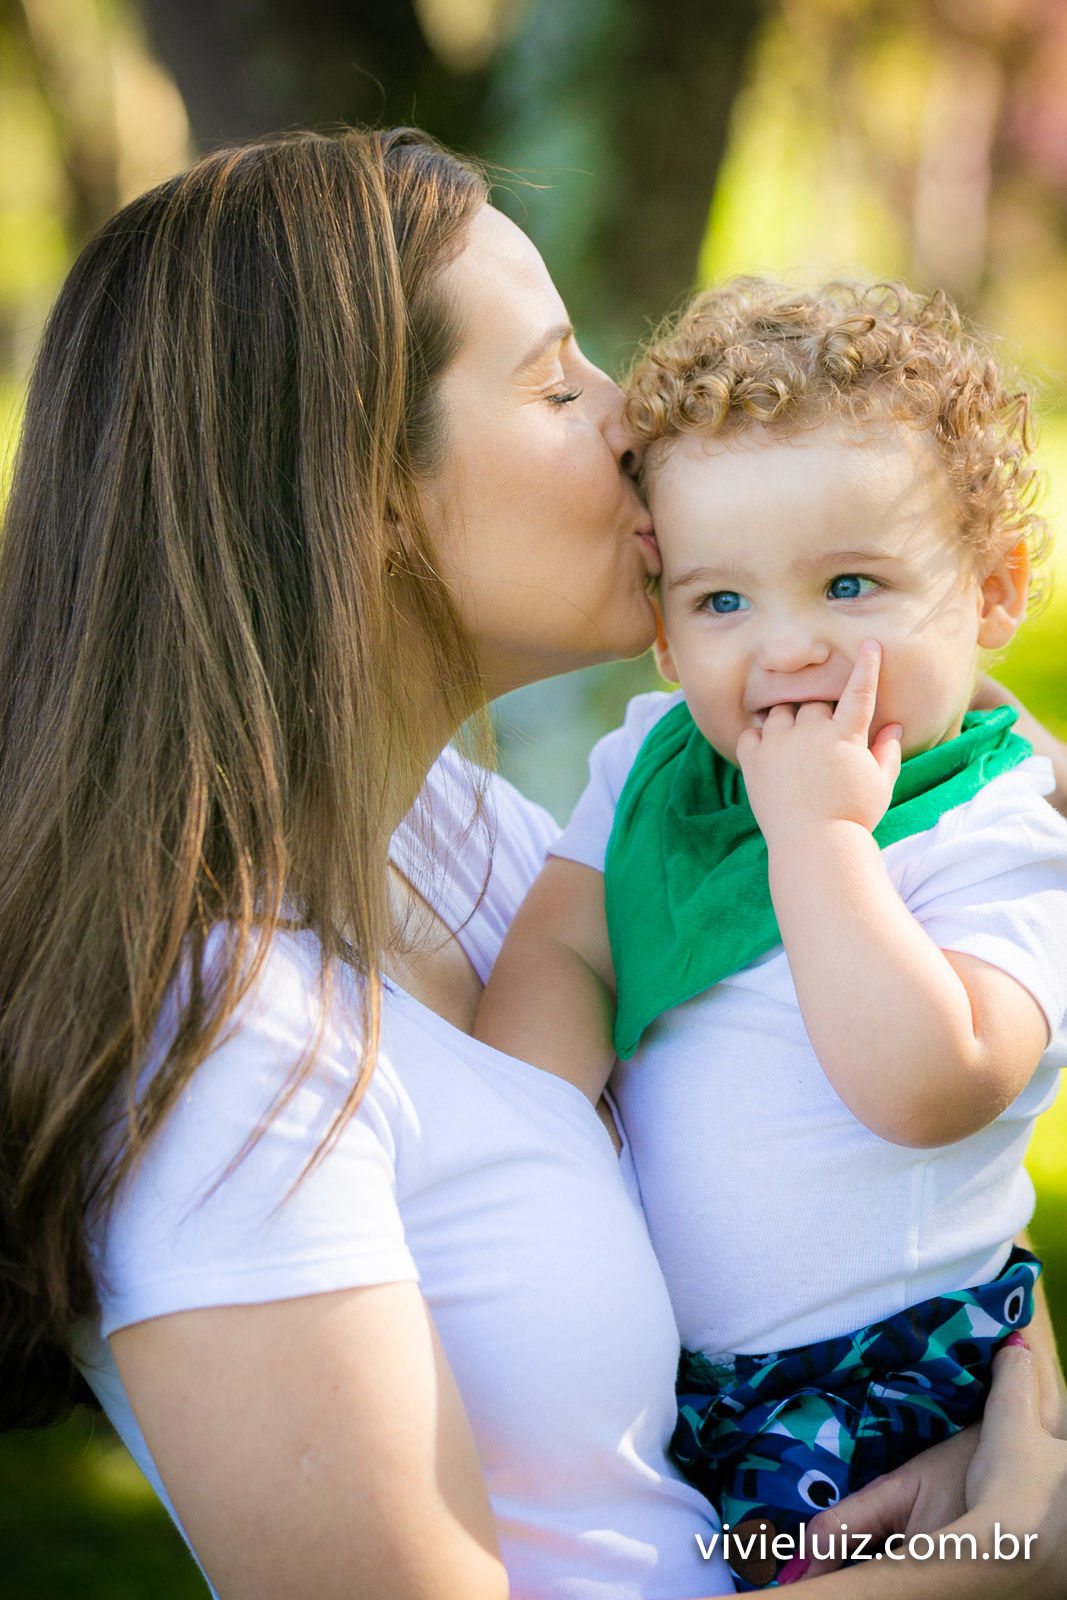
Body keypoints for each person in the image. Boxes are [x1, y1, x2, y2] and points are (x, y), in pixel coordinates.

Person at [0, 130, 1065, 1600]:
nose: (633, 421)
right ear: (364, 490)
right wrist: (1002, 1564)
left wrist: (991, 1420)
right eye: (559, 384)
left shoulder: (459, 842)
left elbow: (868, 1164)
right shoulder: (227, 1063)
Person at [474, 278, 1067, 1589]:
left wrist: (820, 841)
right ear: (664, 631)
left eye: (850, 584)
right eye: (721, 602)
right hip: (685, 1385)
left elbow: (934, 1086)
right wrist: (529, 1146)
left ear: (993, 591)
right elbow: (570, 949)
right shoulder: (657, 767)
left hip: (887, 1391)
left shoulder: (993, 835)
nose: (787, 647)